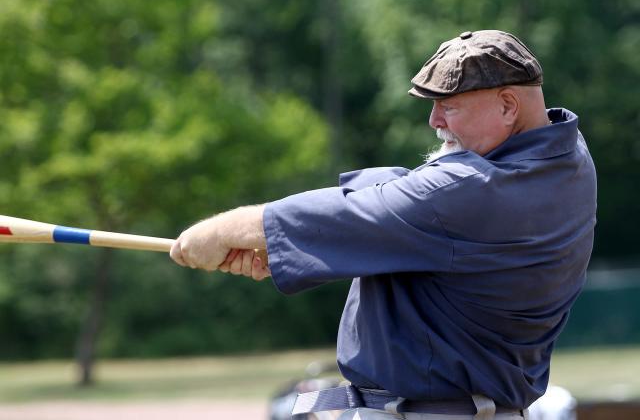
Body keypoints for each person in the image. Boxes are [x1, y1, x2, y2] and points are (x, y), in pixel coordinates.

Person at [170, 30, 597, 419]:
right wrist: (290, 250)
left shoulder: (471, 192)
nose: (435, 121)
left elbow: (408, 204)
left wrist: (219, 233)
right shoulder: (569, 161)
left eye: (448, 106)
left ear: (508, 105)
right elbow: (418, 203)